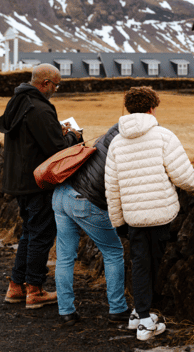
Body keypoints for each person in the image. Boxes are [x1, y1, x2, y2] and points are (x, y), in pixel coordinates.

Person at [105, 86, 194, 341]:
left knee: (140, 264)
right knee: (152, 264)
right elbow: (183, 176)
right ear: (152, 108)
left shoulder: (117, 142)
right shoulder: (163, 136)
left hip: (134, 218)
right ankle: (144, 321)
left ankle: (139, 315)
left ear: (129, 108)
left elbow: (112, 187)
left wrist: (118, 221)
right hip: (161, 213)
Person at [0, 63, 82, 309]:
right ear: (45, 83)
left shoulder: (18, 102)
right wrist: (72, 136)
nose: (56, 89)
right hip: (37, 182)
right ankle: (34, 290)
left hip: (19, 181)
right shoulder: (40, 108)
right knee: (41, 235)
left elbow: (33, 139)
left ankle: (16, 286)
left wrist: (57, 131)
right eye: (56, 85)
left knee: (29, 233)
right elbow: (56, 149)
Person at [51, 122, 130, 325]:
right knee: (113, 252)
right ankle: (118, 308)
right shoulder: (126, 149)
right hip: (85, 201)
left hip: (62, 194)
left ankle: (66, 311)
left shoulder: (106, 135)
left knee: (65, 257)